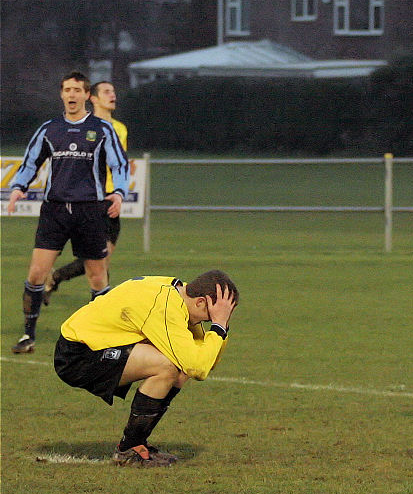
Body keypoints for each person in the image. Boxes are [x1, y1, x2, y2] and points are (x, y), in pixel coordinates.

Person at [55, 270, 239, 466]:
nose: (207, 322)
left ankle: (136, 443)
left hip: (96, 344)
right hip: (78, 354)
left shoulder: (180, 295)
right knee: (167, 366)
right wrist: (218, 326)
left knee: (180, 368)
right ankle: (130, 448)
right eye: (208, 317)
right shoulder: (165, 307)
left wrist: (222, 327)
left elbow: (206, 361)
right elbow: (198, 367)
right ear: (201, 302)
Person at [8, 71, 129, 354]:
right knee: (37, 274)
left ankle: (100, 338)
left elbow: (119, 165)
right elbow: (30, 162)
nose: (71, 95)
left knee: (98, 278)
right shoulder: (49, 129)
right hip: (55, 211)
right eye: (67, 90)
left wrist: (120, 193)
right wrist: (18, 188)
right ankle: (28, 336)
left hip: (91, 211)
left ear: (87, 96)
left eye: (77, 90)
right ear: (61, 94)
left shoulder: (102, 129)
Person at [44, 80, 131, 305]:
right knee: (99, 262)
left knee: (102, 261)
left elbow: (117, 163)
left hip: (111, 199)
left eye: (113, 91)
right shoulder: (86, 126)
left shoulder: (120, 129)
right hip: (91, 200)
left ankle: (55, 278)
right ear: (92, 97)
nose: (112, 95)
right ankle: (100, 313)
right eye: (106, 91)